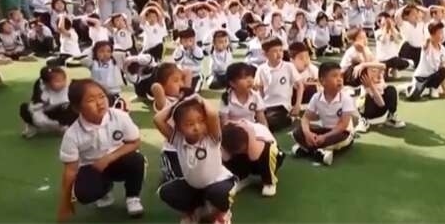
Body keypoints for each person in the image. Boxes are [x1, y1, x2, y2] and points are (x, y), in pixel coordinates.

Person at [57, 79, 145, 222]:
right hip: (92, 167)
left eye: (102, 96)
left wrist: (109, 158)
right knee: (84, 195)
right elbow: (70, 171)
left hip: (117, 160)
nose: (100, 103)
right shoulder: (72, 134)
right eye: (91, 100)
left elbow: (135, 142)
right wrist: (65, 203)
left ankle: (132, 197)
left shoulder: (119, 116)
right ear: (77, 108)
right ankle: (104, 190)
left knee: (136, 160)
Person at [155, 96, 235, 224]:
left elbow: (213, 114)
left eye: (201, 121)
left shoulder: (211, 138)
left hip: (218, 182)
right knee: (166, 192)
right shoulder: (178, 140)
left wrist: (200, 99)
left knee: (219, 193)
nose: (197, 127)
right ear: (178, 128)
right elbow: (158, 120)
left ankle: (221, 213)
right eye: (189, 124)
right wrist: (177, 103)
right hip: (193, 186)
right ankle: (195, 211)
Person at [291, 62, 356, 166]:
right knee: (297, 132)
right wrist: (308, 134)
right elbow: (306, 118)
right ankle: (320, 152)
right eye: (334, 76)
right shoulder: (316, 97)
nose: (339, 79)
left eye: (340, 76)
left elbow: (343, 125)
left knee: (339, 137)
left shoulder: (346, 99)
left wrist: (324, 137)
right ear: (322, 81)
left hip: (342, 133)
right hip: (325, 130)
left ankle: (307, 149)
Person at [221, 119, 285, 198]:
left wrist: (250, 133)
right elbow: (225, 158)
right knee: (227, 154)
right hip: (250, 160)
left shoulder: (257, 132)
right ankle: (242, 177)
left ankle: (269, 182)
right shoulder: (227, 134)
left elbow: (254, 157)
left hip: (269, 159)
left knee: (268, 151)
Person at [19, 66, 76, 138]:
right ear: (46, 84)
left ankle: (64, 127)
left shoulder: (70, 87)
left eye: (63, 80)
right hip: (45, 113)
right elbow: (34, 105)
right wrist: (42, 106)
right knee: (25, 108)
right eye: (57, 81)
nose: (62, 83)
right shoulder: (42, 89)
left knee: (72, 108)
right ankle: (33, 127)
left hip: (61, 114)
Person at [255, 37, 298, 131]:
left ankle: (289, 119)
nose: (279, 54)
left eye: (281, 50)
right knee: (255, 118)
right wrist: (260, 105)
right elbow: (260, 89)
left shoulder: (288, 66)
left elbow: (300, 85)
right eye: (275, 51)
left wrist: (297, 105)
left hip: (282, 105)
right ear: (265, 54)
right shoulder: (261, 69)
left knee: (272, 121)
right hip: (266, 105)